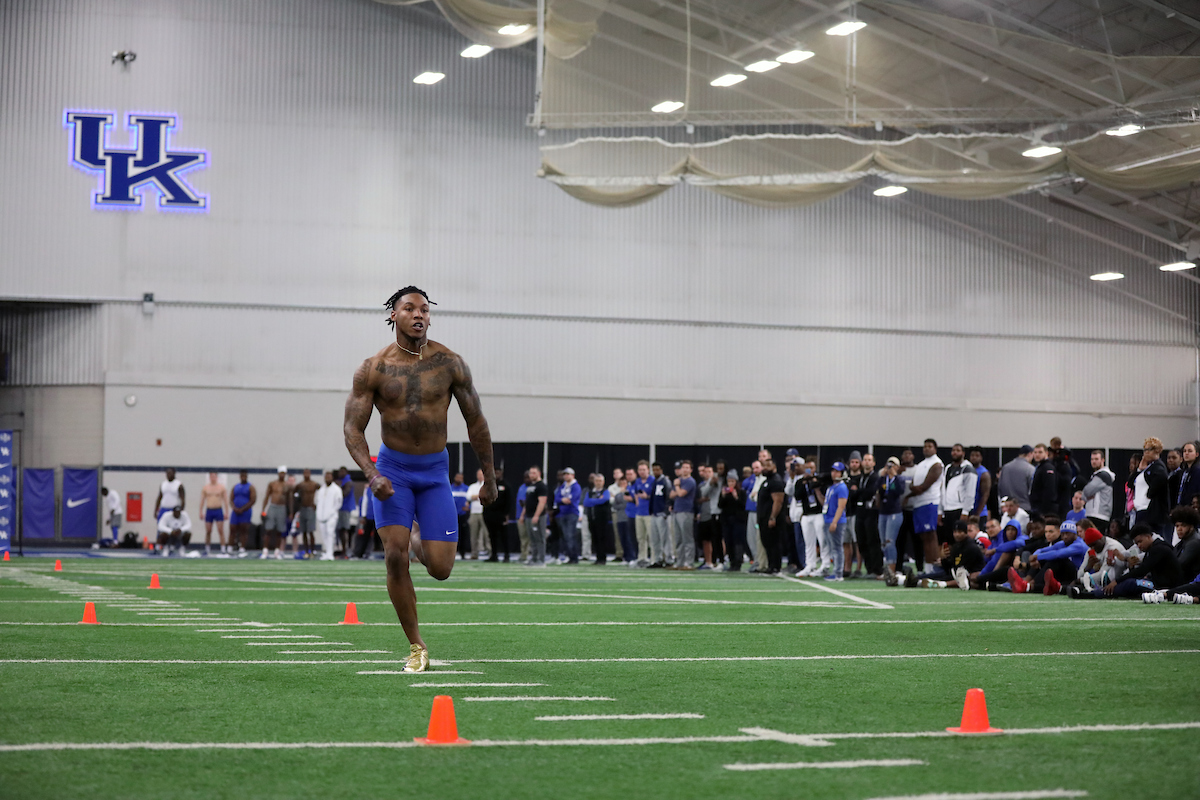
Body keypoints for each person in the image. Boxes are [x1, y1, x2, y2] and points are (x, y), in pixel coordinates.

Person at [343, 286, 496, 673]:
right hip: (392, 471)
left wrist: (489, 479)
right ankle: (416, 645)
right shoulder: (373, 369)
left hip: (433, 473)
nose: (419, 314)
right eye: (409, 308)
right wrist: (372, 474)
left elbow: (476, 422)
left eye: (424, 310)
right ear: (392, 315)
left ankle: (413, 533)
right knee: (394, 556)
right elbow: (352, 429)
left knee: (441, 569)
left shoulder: (450, 364)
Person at [1075, 525, 1181, 601]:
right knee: (1130, 583)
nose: (1139, 546)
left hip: (1165, 587)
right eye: (1136, 543)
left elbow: (1142, 569)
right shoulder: (1154, 548)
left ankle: (1093, 594)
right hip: (1159, 582)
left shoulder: (1159, 549)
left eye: (1140, 541)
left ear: (1149, 537)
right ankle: (1096, 592)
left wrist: (1117, 581)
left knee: (1130, 583)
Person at [1008, 520, 1087, 595]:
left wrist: (1038, 557)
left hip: (1079, 574)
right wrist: (1035, 557)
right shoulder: (1063, 543)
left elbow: (1058, 554)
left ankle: (1028, 584)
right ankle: (1027, 584)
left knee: (1056, 559)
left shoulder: (1079, 545)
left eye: (1068, 534)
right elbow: (1042, 550)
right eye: (1063, 534)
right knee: (1046, 561)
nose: (1065, 536)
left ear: (1074, 534)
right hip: (1067, 574)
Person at [904, 520, 983, 589]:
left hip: (966, 575)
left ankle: (916, 581)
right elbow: (950, 566)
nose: (957, 535)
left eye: (960, 532)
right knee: (931, 575)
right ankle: (911, 579)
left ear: (966, 533)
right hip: (954, 573)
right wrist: (943, 558)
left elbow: (962, 569)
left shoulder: (971, 547)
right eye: (955, 532)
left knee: (936, 577)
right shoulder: (957, 546)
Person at [908, 439, 944, 567]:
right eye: (925, 446)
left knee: (931, 534)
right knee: (923, 536)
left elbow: (924, 486)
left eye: (930, 446)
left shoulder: (937, 464)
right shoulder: (921, 464)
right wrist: (913, 490)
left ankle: (935, 564)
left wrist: (916, 488)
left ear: (935, 448)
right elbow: (913, 484)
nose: (927, 449)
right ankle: (928, 565)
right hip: (918, 503)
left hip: (930, 502)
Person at [1127, 437, 1170, 537]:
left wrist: (1149, 494)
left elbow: (1162, 477)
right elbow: (1130, 483)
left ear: (1156, 450)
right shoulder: (1148, 468)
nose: (1145, 453)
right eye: (1144, 450)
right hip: (1141, 510)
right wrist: (1139, 470)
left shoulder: (1158, 467)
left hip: (1150, 511)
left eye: (1148, 450)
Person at [876, 456, 908, 583]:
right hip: (883, 512)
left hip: (894, 512)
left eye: (892, 465)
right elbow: (878, 490)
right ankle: (887, 569)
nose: (890, 467)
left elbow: (900, 491)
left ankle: (892, 570)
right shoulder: (883, 479)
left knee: (890, 541)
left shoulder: (899, 479)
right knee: (883, 543)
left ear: (897, 467)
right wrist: (882, 475)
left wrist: (893, 476)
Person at [941, 444, 977, 549]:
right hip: (948, 509)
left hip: (960, 509)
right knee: (949, 539)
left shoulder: (968, 469)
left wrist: (965, 511)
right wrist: (941, 511)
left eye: (958, 450)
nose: (955, 452)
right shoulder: (948, 468)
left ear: (963, 453)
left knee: (960, 539)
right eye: (953, 450)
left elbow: (970, 493)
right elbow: (943, 490)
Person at [755, 458, 787, 574]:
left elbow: (778, 501)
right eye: (763, 466)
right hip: (764, 518)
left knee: (774, 543)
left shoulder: (776, 481)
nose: (764, 468)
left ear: (774, 467)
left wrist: (773, 517)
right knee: (767, 543)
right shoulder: (766, 481)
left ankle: (775, 566)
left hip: (772, 519)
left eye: (767, 466)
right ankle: (770, 565)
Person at [822, 461, 849, 581]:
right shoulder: (832, 487)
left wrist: (834, 521)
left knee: (837, 547)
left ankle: (838, 573)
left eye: (837, 471)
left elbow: (841, 506)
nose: (834, 473)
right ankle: (836, 571)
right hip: (828, 518)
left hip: (835, 520)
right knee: (833, 547)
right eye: (833, 471)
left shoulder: (842, 487)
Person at [857, 453, 883, 577]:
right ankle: (869, 568)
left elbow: (870, 492)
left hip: (871, 512)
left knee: (872, 540)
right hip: (860, 511)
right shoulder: (861, 477)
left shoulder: (875, 477)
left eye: (869, 460)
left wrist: (857, 492)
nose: (867, 462)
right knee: (861, 541)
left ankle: (876, 569)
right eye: (865, 460)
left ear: (873, 463)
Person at [669, 460, 696, 570]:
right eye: (683, 467)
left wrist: (677, 486)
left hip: (686, 511)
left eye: (686, 467)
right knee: (678, 538)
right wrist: (678, 488)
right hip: (676, 511)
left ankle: (689, 562)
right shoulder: (679, 481)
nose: (684, 469)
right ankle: (680, 562)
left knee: (687, 538)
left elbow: (680, 493)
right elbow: (671, 495)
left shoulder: (690, 481)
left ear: (690, 469)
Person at [259, 467, 291, 560]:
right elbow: (267, 496)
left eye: (283, 473)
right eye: (280, 473)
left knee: (279, 531)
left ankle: (277, 551)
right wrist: (263, 510)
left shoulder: (287, 486)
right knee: (268, 529)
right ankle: (265, 550)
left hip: (282, 508)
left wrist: (290, 512)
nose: (282, 475)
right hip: (273, 507)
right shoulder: (272, 484)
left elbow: (289, 500)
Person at [581, 473, 612, 565]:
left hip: (602, 519)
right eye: (597, 481)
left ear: (603, 482)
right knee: (594, 539)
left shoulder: (605, 491)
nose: (598, 483)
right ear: (594, 482)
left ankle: (603, 558)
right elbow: (586, 503)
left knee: (602, 538)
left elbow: (604, 500)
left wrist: (593, 501)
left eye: (600, 481)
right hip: (592, 518)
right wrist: (597, 501)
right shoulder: (590, 492)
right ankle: (598, 558)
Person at [695, 464, 721, 570]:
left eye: (710, 471)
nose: (707, 474)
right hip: (704, 515)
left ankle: (719, 560)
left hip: (715, 514)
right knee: (705, 540)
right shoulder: (702, 485)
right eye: (705, 471)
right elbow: (700, 497)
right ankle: (708, 561)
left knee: (718, 539)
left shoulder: (718, 484)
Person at [1081, 450, 1115, 531]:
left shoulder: (1103, 475)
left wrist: (1086, 496)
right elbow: (1084, 496)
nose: (1093, 461)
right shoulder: (1096, 476)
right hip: (1095, 514)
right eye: (1092, 459)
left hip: (1098, 514)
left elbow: (1087, 491)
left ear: (1103, 460)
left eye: (1096, 459)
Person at [483, 467, 511, 562]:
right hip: (489, 514)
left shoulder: (506, 485)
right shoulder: (488, 485)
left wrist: (506, 514)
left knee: (504, 536)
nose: (497, 474)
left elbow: (509, 501)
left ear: (501, 473)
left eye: (498, 472)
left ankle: (506, 555)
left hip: (501, 515)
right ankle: (494, 555)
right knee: (492, 536)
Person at [198, 472, 229, 557]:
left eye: (214, 476)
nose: (213, 478)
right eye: (211, 476)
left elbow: (225, 500)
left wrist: (226, 512)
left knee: (220, 530)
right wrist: (201, 512)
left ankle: (223, 549)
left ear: (217, 477)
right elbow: (202, 501)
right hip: (209, 510)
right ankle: (207, 549)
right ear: (210, 477)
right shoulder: (206, 488)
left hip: (218, 510)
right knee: (208, 531)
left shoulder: (221, 488)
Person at [648, 462, 672, 568]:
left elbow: (669, 496)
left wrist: (666, 511)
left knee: (665, 538)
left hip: (662, 513)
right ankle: (657, 559)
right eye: (654, 470)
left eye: (657, 470)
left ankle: (668, 559)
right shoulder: (654, 481)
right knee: (655, 538)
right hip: (654, 513)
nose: (655, 472)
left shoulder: (665, 481)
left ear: (661, 470)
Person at [523, 466, 548, 567]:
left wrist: (536, 515)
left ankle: (541, 560)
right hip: (528, 516)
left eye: (534, 473)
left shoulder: (541, 486)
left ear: (539, 473)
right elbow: (527, 502)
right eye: (530, 473)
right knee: (532, 538)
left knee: (540, 538)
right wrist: (522, 515)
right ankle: (533, 558)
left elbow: (542, 502)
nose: (531, 475)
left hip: (538, 516)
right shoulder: (529, 486)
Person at [315, 470, 343, 561]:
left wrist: (332, 512)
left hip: (332, 515)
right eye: (326, 477)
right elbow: (317, 502)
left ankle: (330, 553)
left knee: (330, 533)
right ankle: (327, 552)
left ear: (332, 478)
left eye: (329, 477)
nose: (327, 478)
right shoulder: (321, 489)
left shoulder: (336, 489)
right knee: (324, 535)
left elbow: (339, 502)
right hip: (321, 516)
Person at [997, 446, 1034, 514]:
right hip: (1025, 508)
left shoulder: (1005, 467)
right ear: (1030, 454)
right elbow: (1032, 490)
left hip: (1007, 509)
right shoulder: (1030, 469)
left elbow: (1000, 488)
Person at [609, 469, 635, 565]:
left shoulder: (629, 491)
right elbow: (615, 505)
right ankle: (625, 558)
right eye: (622, 482)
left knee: (629, 539)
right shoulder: (619, 494)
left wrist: (622, 504)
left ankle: (631, 557)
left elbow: (627, 503)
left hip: (627, 517)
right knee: (622, 538)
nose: (623, 483)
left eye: (625, 482)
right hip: (620, 518)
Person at [229, 471, 256, 558]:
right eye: (242, 476)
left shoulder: (250, 487)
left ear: (247, 476)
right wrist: (234, 508)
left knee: (243, 530)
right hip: (235, 511)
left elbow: (253, 500)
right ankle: (230, 548)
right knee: (232, 529)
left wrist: (243, 509)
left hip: (245, 511)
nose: (243, 477)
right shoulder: (235, 487)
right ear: (240, 476)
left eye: (245, 476)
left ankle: (242, 549)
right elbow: (231, 499)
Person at [632, 461, 654, 567]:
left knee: (651, 537)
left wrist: (647, 497)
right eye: (640, 470)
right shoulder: (637, 481)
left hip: (649, 512)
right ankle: (642, 558)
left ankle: (654, 558)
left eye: (644, 470)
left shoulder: (652, 480)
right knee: (640, 537)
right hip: (639, 512)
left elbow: (655, 496)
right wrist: (637, 503)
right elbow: (636, 493)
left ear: (648, 470)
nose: (642, 472)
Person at [294, 468, 320, 559]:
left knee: (311, 531)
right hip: (303, 508)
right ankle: (306, 551)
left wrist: (317, 503)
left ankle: (312, 551)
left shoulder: (314, 484)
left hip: (310, 509)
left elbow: (322, 492)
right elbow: (294, 494)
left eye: (308, 473)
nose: (306, 474)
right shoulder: (300, 485)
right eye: (305, 473)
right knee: (304, 531)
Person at [1028, 444, 1059, 517]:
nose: (1037, 455)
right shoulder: (1039, 467)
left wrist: (1044, 509)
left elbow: (1049, 489)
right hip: (1037, 506)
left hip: (1044, 509)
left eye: (1040, 452)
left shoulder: (1047, 467)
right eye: (1035, 452)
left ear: (1046, 453)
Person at [1170, 505, 1200, 578]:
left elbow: (1178, 565)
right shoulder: (1182, 542)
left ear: (1191, 526)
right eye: (1177, 526)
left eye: (1183, 525)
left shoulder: (1194, 543)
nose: (1179, 529)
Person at [466, 469, 487, 559]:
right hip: (474, 512)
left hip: (484, 512)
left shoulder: (487, 486)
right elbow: (468, 497)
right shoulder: (472, 486)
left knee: (487, 534)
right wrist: (480, 496)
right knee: (473, 534)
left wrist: (475, 496)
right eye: (478, 474)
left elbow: (486, 495)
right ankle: (474, 553)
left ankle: (489, 551)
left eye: (481, 474)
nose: (480, 476)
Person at [968, 446, 992, 523]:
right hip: (967, 510)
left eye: (977, 456)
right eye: (972, 455)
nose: (974, 458)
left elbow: (985, 495)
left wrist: (977, 514)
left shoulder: (984, 473)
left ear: (981, 458)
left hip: (979, 513)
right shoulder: (966, 470)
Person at [336, 466, 357, 558]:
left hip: (345, 508)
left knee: (344, 530)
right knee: (341, 530)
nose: (340, 473)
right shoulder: (342, 481)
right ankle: (343, 550)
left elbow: (345, 493)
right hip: (341, 508)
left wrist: (337, 488)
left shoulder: (347, 481)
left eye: (342, 471)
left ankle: (346, 551)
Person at [451, 472, 471, 560]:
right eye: (458, 477)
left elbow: (470, 500)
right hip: (452, 515)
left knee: (463, 535)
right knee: (452, 534)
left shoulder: (466, 488)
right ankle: (452, 553)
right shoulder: (450, 488)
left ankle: (463, 553)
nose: (459, 479)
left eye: (461, 477)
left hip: (462, 515)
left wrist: (468, 507)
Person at [1177, 441, 1200, 508]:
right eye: (1184, 451)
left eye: (1190, 451)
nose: (1186, 453)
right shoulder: (1183, 472)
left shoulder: (1197, 471)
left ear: (1197, 454)